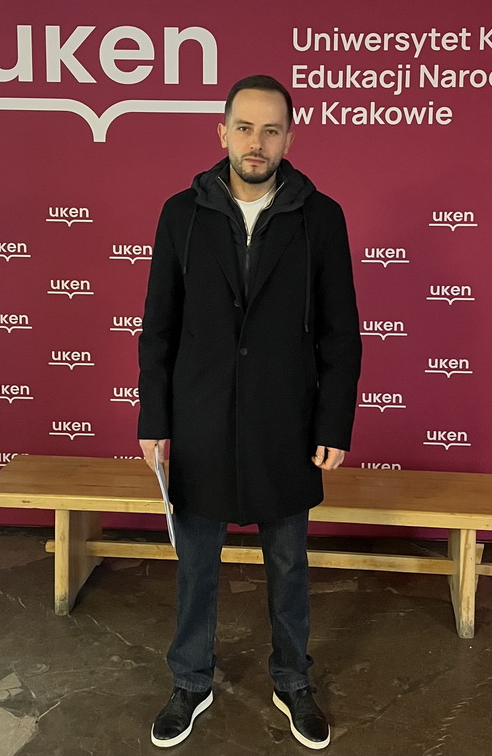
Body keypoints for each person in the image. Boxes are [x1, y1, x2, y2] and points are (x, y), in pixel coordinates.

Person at [138, 75, 361, 750]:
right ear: (223, 133)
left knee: (289, 564)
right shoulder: (181, 213)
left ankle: (293, 680)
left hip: (284, 422)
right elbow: (158, 327)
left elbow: (341, 332)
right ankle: (190, 681)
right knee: (196, 565)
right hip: (200, 420)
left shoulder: (321, 217)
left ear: (289, 137)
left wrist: (333, 423)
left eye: (270, 130)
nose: (256, 142)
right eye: (244, 128)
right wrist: (154, 418)